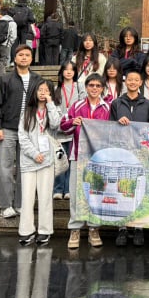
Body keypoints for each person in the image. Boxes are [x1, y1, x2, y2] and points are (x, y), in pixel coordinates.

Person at [0, 44, 44, 219]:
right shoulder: (4, 79)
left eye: (27, 55)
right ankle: (6, 205)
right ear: (15, 58)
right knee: (4, 168)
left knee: (24, 169)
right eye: (21, 55)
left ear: (31, 59)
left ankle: (21, 203)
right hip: (8, 129)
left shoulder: (37, 80)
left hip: (29, 130)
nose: (24, 57)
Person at [60, 73, 111, 248]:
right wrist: (73, 122)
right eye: (91, 85)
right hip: (78, 155)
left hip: (98, 158)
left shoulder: (107, 108)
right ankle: (75, 229)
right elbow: (63, 126)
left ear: (102, 88)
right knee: (76, 194)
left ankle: (94, 228)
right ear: (86, 87)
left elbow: (112, 131)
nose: (94, 88)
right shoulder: (77, 105)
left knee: (96, 193)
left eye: (98, 85)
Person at [110, 70, 149, 247]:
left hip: (141, 152)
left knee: (139, 189)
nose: (133, 82)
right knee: (122, 189)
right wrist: (117, 122)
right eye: (130, 79)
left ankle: (138, 228)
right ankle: (122, 228)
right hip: (121, 151)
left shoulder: (147, 104)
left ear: (141, 82)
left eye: (136, 80)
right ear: (125, 81)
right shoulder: (116, 103)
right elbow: (108, 126)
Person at [17, 79, 61, 246]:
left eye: (46, 90)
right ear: (35, 92)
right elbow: (22, 137)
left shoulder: (53, 109)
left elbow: (56, 124)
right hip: (29, 161)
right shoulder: (27, 112)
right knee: (27, 198)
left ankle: (44, 231)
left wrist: (50, 103)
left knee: (45, 197)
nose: (43, 93)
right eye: (40, 90)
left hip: (47, 160)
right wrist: (34, 154)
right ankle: (26, 231)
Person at [53, 60, 84, 200]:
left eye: (72, 69)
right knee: (60, 159)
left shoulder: (79, 87)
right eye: (66, 69)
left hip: (75, 130)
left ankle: (68, 189)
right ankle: (58, 189)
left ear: (75, 72)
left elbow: (83, 104)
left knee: (71, 161)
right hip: (59, 130)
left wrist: (72, 121)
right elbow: (53, 108)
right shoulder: (56, 89)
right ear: (62, 72)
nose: (69, 72)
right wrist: (62, 122)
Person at [0, 8, 17, 80]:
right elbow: (13, 36)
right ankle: (0, 79)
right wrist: (10, 43)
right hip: (5, 44)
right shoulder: (12, 23)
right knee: (3, 61)